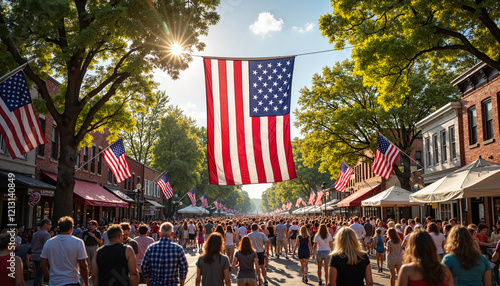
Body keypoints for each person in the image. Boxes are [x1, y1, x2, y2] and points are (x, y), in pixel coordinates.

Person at [40, 216, 89, 286]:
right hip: (72, 281)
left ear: (59, 229)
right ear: (71, 228)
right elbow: (83, 265)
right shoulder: (78, 242)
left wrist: (49, 278)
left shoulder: (49, 242)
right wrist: (86, 282)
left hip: (54, 282)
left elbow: (43, 265)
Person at [31, 218, 51, 286]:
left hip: (34, 255)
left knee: (39, 273)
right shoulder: (46, 234)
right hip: (41, 256)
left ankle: (40, 284)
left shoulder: (35, 234)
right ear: (45, 224)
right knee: (40, 274)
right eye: (49, 224)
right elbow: (47, 247)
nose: (50, 226)